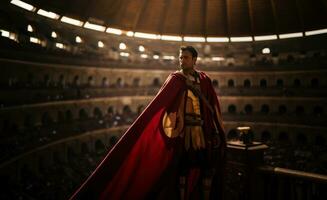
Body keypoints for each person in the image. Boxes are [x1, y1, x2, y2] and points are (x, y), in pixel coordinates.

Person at [70, 46, 226, 200]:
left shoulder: (204, 80)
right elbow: (159, 105)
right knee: (182, 172)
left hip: (201, 132)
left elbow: (212, 106)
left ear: (194, 60)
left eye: (185, 57)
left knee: (207, 169)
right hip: (182, 135)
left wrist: (215, 130)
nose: (182, 61)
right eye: (180, 57)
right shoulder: (175, 79)